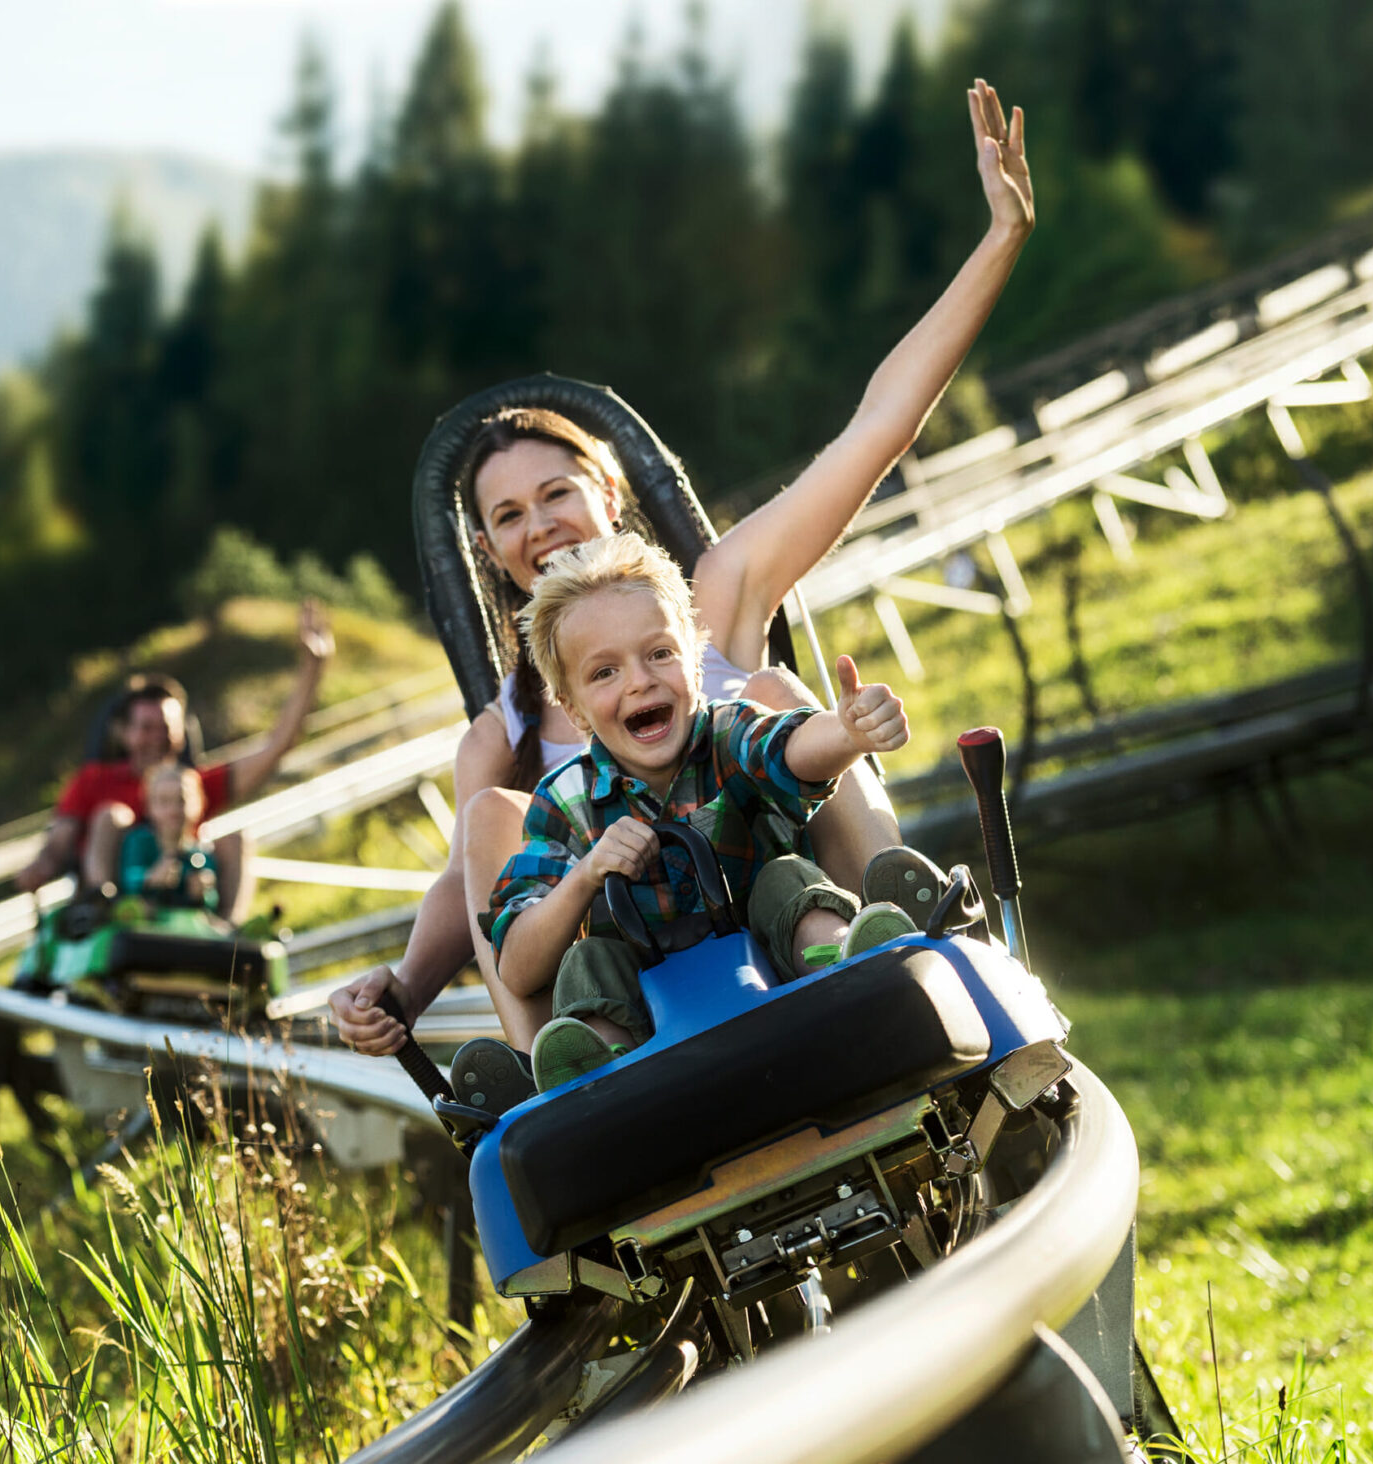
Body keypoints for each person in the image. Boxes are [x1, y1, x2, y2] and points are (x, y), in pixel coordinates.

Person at [333, 79, 1033, 1055]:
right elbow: (474, 879)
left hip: (779, 892)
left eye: (557, 494)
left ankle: (894, 946)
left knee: (777, 689)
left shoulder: (712, 596)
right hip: (633, 961)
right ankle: (564, 1069)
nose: (541, 526)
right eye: (508, 515)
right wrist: (404, 987)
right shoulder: (509, 732)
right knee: (494, 811)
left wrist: (998, 241)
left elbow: (877, 428)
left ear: (609, 496)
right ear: (490, 554)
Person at [486, 533, 916, 1089]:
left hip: (775, 968)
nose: (640, 681)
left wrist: (846, 732)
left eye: (660, 653)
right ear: (572, 708)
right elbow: (518, 965)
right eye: (604, 673)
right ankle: (599, 1065)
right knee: (587, 960)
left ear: (694, 661)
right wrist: (586, 875)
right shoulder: (563, 800)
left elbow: (786, 748)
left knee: (788, 878)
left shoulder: (726, 732)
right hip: (651, 1027)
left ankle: (845, 959)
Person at [13, 598, 334, 918]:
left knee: (235, 838)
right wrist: (41, 866)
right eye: (145, 728)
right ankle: (106, 906)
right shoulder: (93, 781)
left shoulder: (193, 785)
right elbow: (59, 842)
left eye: (165, 728)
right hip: (120, 909)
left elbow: (277, 746)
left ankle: (226, 933)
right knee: (112, 816)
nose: (156, 738)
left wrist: (313, 668)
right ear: (124, 733)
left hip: (183, 906)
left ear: (181, 733)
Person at [117, 760, 220, 911]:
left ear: (199, 805)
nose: (173, 810)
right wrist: (150, 878)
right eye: (164, 802)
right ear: (149, 807)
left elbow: (212, 901)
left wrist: (204, 892)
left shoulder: (200, 854)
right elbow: (128, 878)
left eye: (181, 801)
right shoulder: (139, 841)